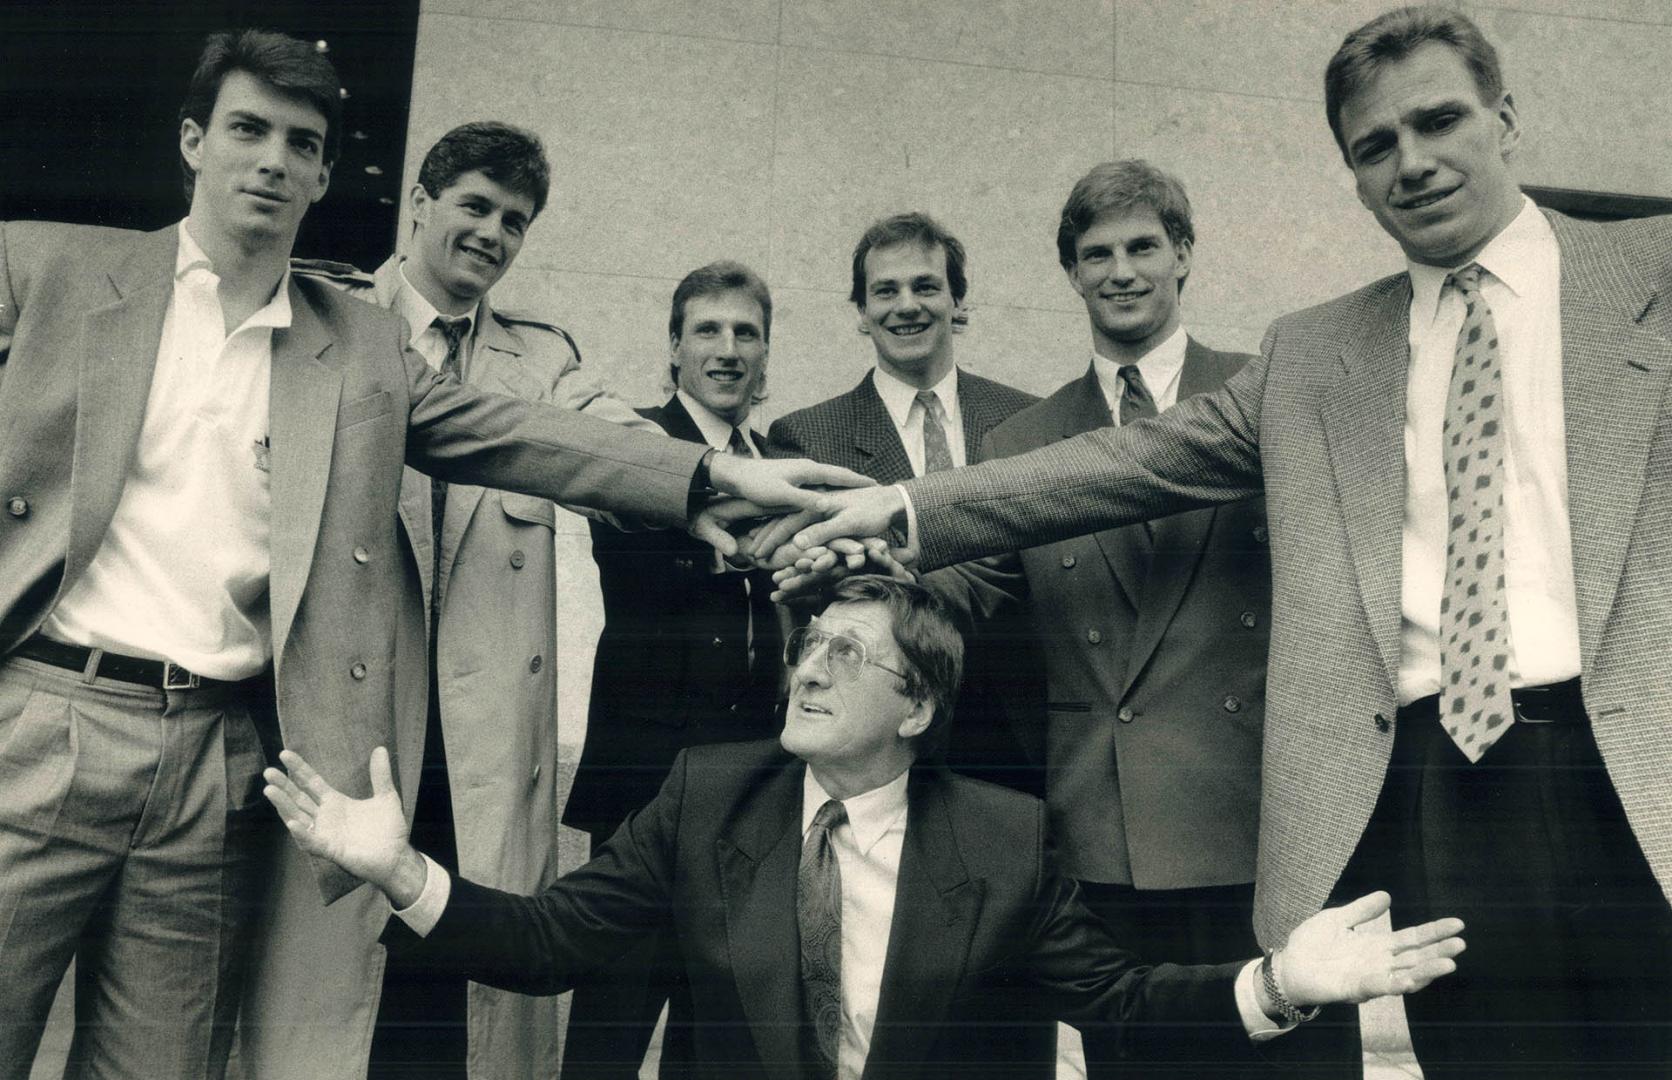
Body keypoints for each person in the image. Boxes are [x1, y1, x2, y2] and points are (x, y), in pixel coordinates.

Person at [778, 7, 1672, 1076]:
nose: (1412, 162)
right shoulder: (1314, 355)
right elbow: (1114, 465)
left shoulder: (1650, 271)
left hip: (1637, 759)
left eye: (1439, 121)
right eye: (1373, 146)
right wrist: (904, 513)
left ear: (1506, 118)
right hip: (1444, 783)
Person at [0, 29, 862, 1079]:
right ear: (192, 140)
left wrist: (713, 478)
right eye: (246, 130)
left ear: (325, 172)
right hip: (54, 720)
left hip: (222, 754)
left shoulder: (357, 347)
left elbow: (532, 436)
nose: (272, 159)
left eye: (300, 142)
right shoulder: (44, 268)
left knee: (158, 1063)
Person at [265, 576, 1465, 1080]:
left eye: (850, 653)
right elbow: (545, 944)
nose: (809, 668)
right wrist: (398, 870)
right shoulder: (703, 795)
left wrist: (1283, 983)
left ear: (919, 706)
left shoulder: (1000, 837)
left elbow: (1120, 999)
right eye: (809, 645)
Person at [238, 120, 657, 1079]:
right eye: (474, 206)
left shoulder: (542, 363)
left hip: (474, 775)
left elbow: (621, 444)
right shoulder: (316, 320)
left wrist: (718, 484)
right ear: (420, 205)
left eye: (514, 220)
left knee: (452, 1034)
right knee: (327, 1033)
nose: (493, 233)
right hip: (346, 744)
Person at [924, 160, 1269, 1079]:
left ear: (1183, 254)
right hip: (1103, 831)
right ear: (1071, 274)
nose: (1120, 271)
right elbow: (966, 588)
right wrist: (868, 555)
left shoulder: (1263, 392)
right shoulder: (1023, 443)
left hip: (1256, 819)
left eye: (1142, 247)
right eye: (1095, 254)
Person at [562, 261, 786, 1077]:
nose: (727, 350)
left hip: (752, 804)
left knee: (714, 1040)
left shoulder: (781, 458)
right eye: (708, 330)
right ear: (674, 349)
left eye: (746, 333)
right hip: (642, 797)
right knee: (609, 1034)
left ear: (765, 355)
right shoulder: (630, 450)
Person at [768, 211, 1042, 799]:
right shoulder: (809, 439)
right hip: (876, 741)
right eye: (884, 291)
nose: (906, 305)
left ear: (958, 302)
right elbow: (807, 592)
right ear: (861, 314)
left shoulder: (1029, 423)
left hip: (1019, 736)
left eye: (925, 286)